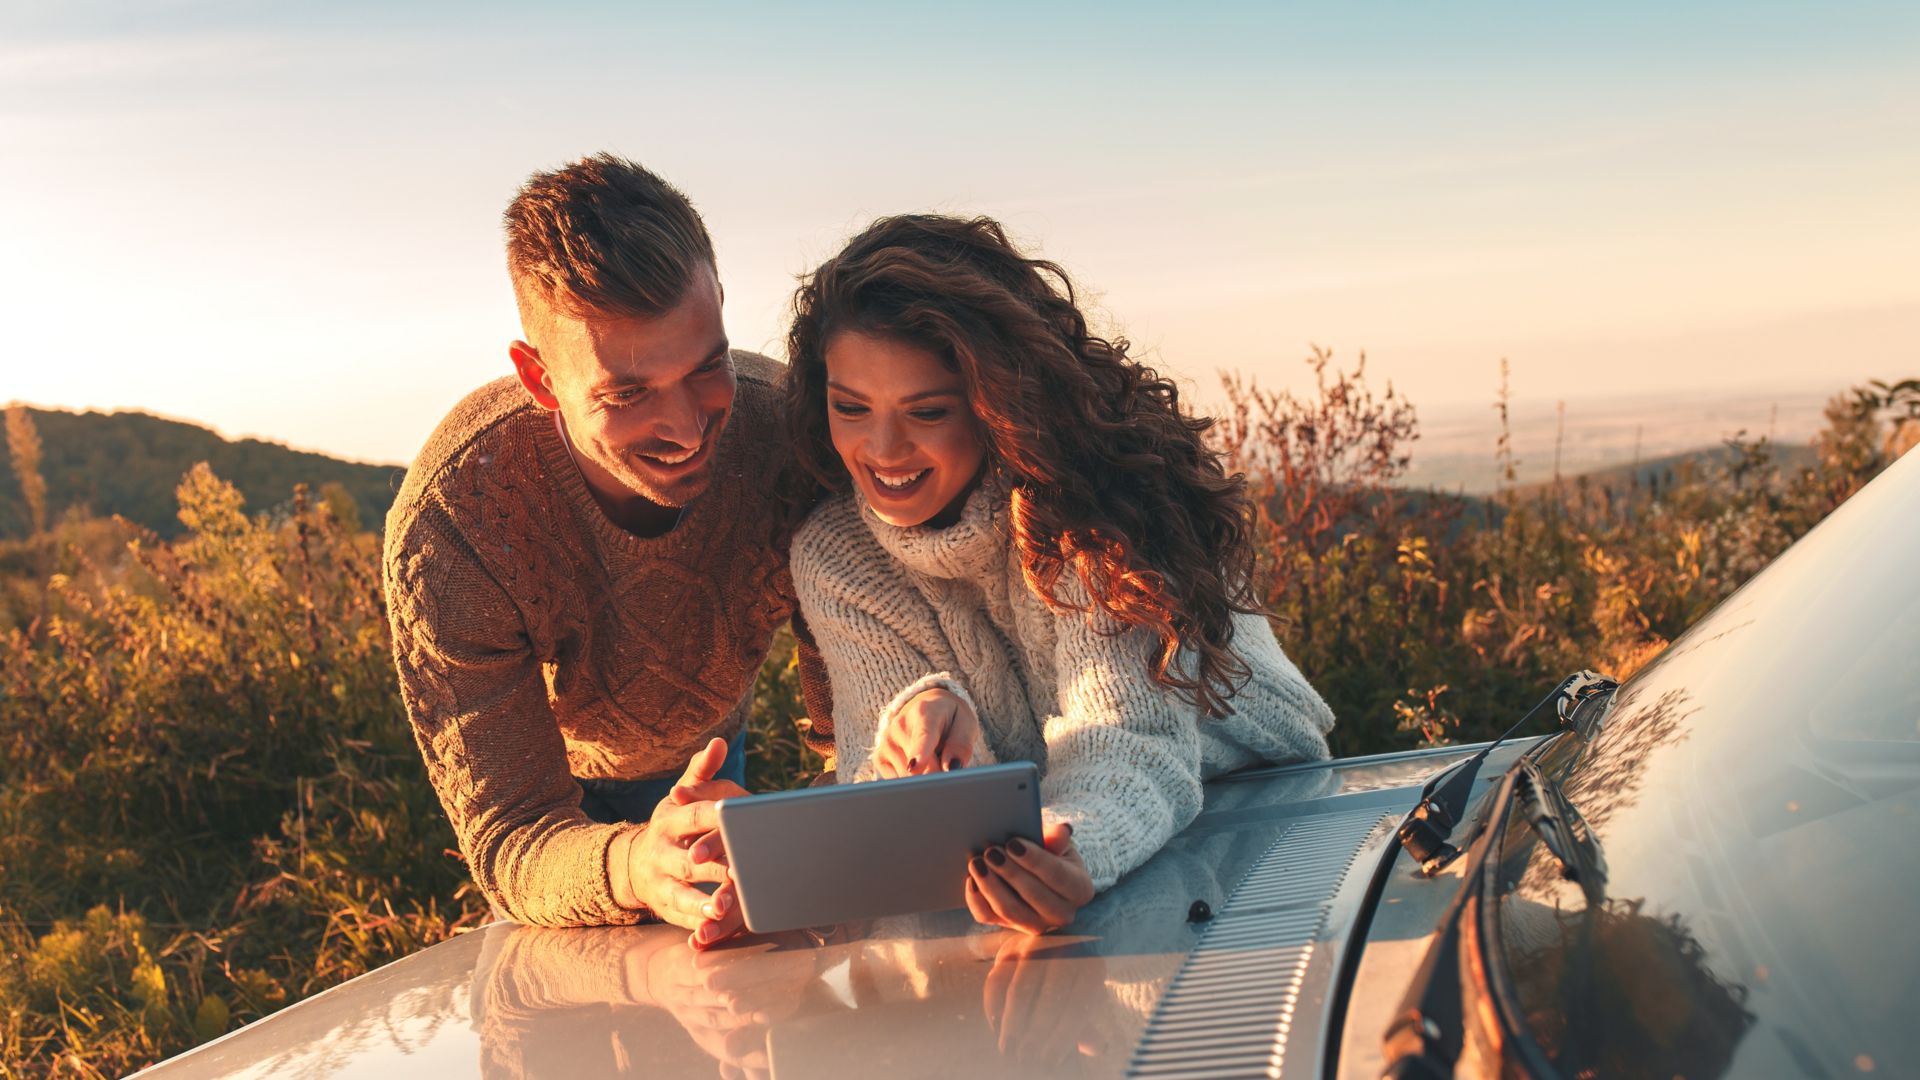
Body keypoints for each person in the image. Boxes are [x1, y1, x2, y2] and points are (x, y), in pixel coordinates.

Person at [781, 214, 1335, 934]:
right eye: (850, 407)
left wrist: (1075, 847)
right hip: (1061, 821)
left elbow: (1130, 735)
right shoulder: (834, 555)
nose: (882, 448)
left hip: (1253, 796)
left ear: (994, 401)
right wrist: (926, 734)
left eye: (927, 411)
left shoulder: (1086, 510)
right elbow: (885, 785)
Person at [382, 154, 824, 943]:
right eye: (627, 395)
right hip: (561, 815)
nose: (688, 430)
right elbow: (512, 835)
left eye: (706, 366)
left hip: (717, 765)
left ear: (719, 303)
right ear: (539, 377)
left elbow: (856, 734)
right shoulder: (453, 522)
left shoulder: (793, 439)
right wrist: (630, 866)